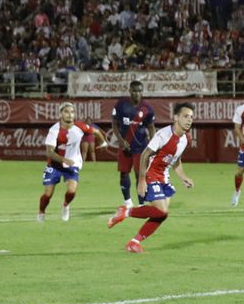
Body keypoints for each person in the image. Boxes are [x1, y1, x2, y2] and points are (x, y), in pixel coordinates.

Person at [106, 102, 196, 253]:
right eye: (185, 116)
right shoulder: (163, 135)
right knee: (161, 211)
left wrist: (183, 176)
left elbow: (176, 160)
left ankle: (134, 242)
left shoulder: (186, 138)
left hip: (163, 176)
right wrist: (142, 180)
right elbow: (145, 155)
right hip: (151, 173)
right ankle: (125, 212)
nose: (189, 120)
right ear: (176, 118)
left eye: (191, 117)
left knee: (161, 215)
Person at [38, 102, 108, 222]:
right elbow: (49, 152)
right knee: (48, 194)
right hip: (54, 165)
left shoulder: (80, 127)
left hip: (72, 163)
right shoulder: (54, 130)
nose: (69, 115)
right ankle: (41, 212)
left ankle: (65, 205)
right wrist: (64, 160)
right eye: (66, 112)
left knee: (71, 191)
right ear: (61, 114)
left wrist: (103, 143)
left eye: (72, 112)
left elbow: (96, 132)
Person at [110, 79, 156, 207]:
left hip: (141, 147)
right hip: (124, 146)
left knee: (140, 175)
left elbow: (151, 127)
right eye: (134, 91)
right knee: (124, 173)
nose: (137, 94)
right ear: (130, 91)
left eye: (139, 91)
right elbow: (114, 124)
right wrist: (120, 141)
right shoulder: (121, 104)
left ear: (142, 92)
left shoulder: (147, 108)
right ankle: (128, 202)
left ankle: (141, 203)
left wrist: (153, 145)